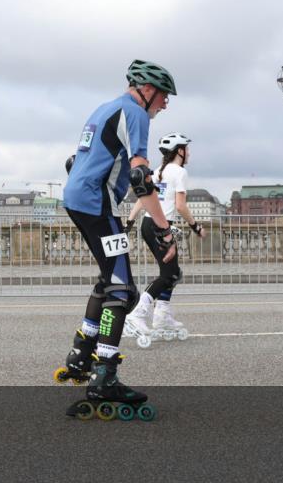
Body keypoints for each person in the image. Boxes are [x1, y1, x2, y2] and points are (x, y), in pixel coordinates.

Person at [56, 60, 178, 410]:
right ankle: (104, 376)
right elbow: (141, 178)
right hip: (97, 204)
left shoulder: (103, 108)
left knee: (109, 280)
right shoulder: (135, 113)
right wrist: (165, 230)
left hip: (77, 199)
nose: (165, 104)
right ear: (147, 89)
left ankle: (81, 353)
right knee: (123, 289)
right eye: (164, 95)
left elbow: (75, 160)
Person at [124, 133, 207, 346]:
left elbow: (143, 199)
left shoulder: (157, 172)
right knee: (169, 274)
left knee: (172, 273)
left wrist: (130, 221)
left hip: (148, 224)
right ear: (179, 151)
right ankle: (138, 313)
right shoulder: (180, 172)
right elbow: (180, 206)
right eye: (186, 149)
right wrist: (196, 226)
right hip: (161, 226)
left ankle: (162, 315)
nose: (189, 153)